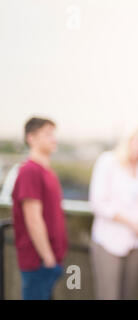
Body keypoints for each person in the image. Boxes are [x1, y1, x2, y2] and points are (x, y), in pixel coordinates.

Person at [89, 125, 138, 300]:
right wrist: (131, 223)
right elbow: (98, 202)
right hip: (109, 241)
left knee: (130, 295)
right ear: (128, 140)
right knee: (109, 295)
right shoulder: (108, 161)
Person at [12, 117, 67, 300]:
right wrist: (48, 257)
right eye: (47, 134)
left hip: (50, 260)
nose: (54, 139)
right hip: (39, 262)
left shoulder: (47, 171)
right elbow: (33, 219)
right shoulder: (30, 171)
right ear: (31, 138)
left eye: (54, 134)